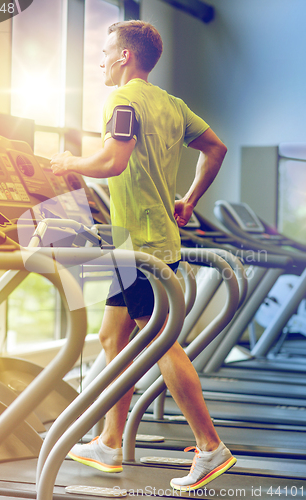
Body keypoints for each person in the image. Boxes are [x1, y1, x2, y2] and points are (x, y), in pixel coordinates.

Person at [50, 20, 236, 491]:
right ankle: (110, 441)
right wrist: (190, 198)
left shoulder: (122, 99)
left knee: (160, 344)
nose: (101, 60)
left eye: (106, 51)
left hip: (141, 246)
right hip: (143, 242)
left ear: (126, 56)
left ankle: (210, 446)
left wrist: (69, 162)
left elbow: (114, 160)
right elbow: (216, 146)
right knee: (113, 336)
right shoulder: (172, 105)